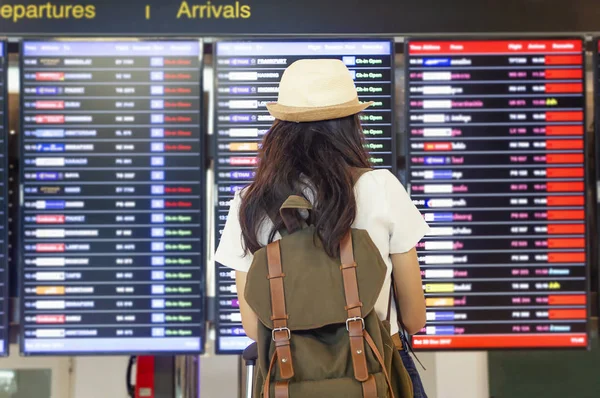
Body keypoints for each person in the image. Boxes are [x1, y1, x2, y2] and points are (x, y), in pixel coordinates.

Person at [214, 58, 429, 347]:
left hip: (290, 380)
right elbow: (414, 319)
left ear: (280, 128)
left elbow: (253, 327)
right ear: (352, 125)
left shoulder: (249, 203)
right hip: (375, 376)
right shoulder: (381, 187)